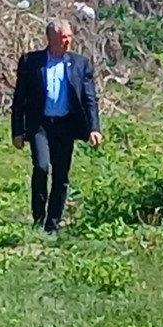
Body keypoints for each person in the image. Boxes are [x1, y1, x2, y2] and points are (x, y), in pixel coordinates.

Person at [11, 18, 102, 233]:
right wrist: (17, 131)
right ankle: (38, 217)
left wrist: (94, 128)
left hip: (65, 125)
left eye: (69, 37)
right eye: (63, 37)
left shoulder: (80, 64)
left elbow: (89, 98)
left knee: (61, 176)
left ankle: (53, 223)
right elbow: (20, 98)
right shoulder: (31, 62)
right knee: (41, 167)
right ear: (51, 38)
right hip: (40, 125)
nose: (67, 41)